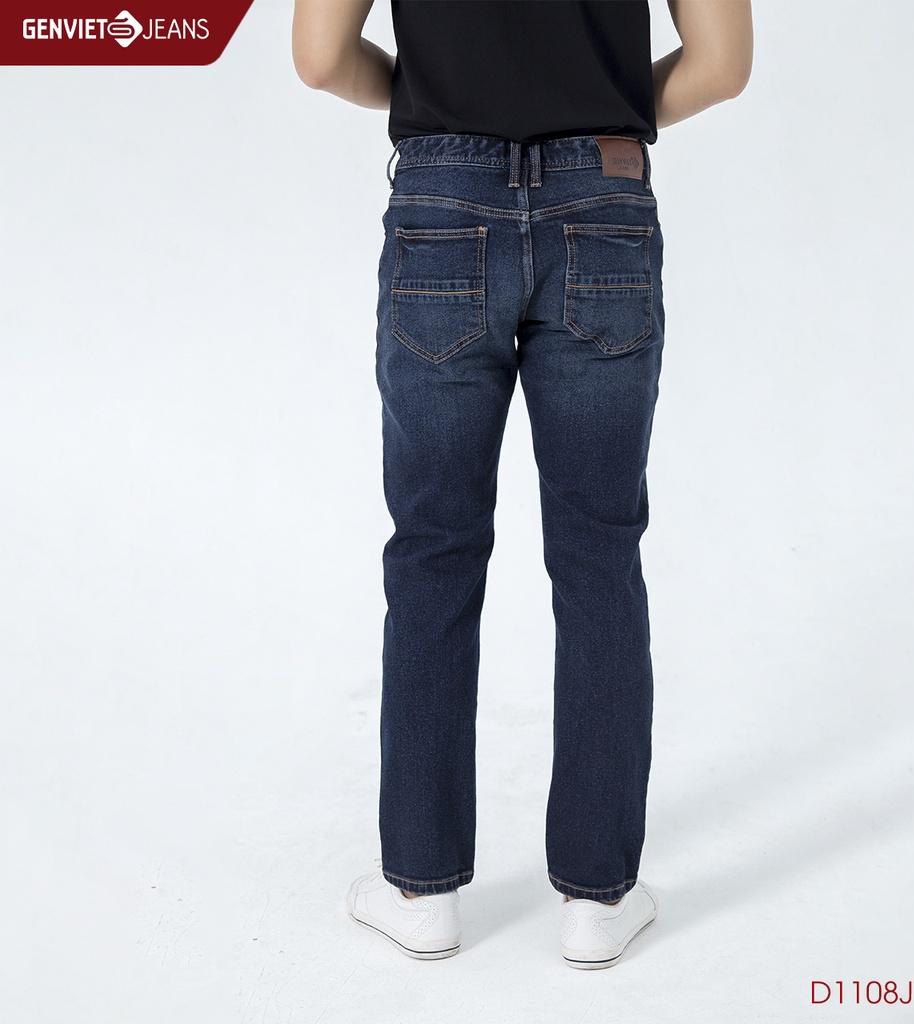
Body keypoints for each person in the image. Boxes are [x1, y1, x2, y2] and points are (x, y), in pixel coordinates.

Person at [292, 0, 752, 969]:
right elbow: (722, 64)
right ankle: (599, 897)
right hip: (603, 204)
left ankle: (420, 888)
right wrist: (601, 111)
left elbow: (320, 57)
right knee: (598, 554)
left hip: (441, 204)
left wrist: (434, 102)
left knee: (433, 550)